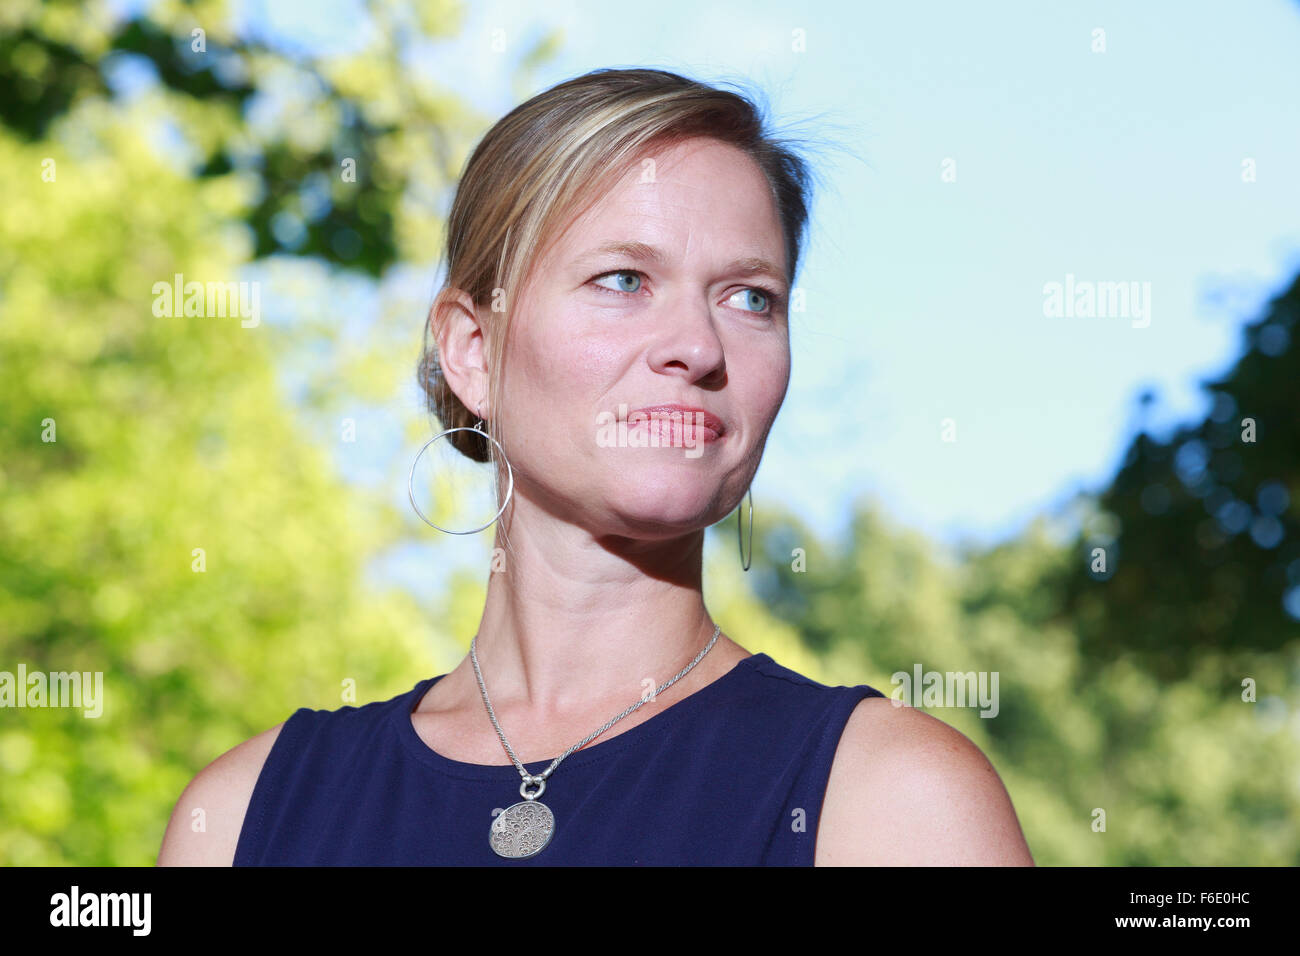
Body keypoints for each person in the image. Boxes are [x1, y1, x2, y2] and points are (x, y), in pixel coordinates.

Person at [157, 67, 1034, 866]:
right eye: (623, 280)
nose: (696, 345)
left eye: (749, 297)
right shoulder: (245, 816)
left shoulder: (892, 801)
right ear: (471, 351)